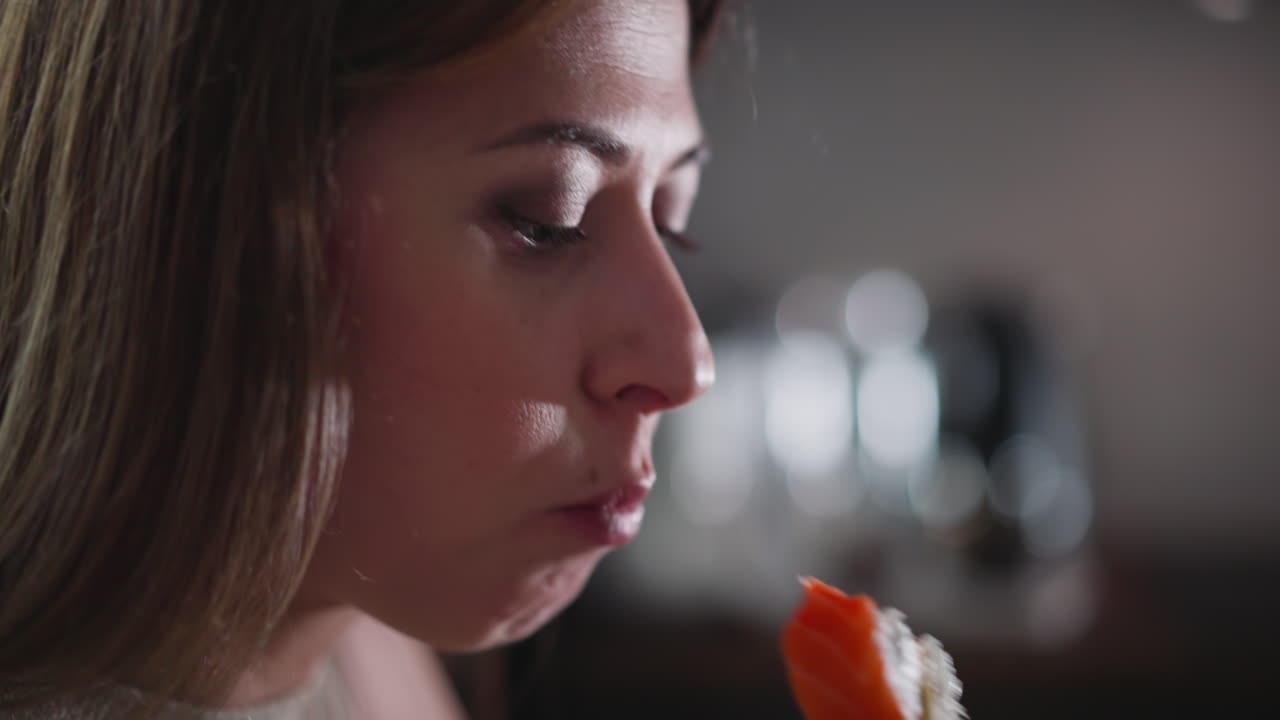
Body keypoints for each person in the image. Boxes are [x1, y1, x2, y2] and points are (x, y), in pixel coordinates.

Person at [0, 0, 722, 716]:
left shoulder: (351, 631)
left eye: (672, 218)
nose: (688, 369)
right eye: (548, 220)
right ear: (206, 212)